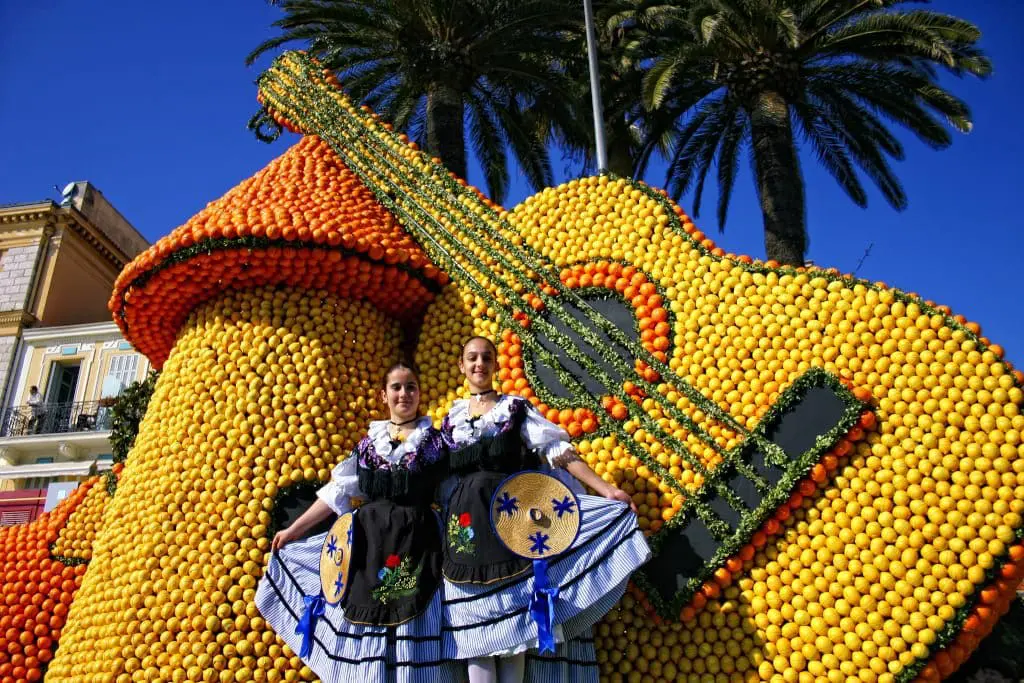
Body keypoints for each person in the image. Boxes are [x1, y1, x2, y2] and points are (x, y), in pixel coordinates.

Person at [440, 337, 652, 683]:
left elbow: (559, 452)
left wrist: (607, 489)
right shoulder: (450, 421)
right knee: (476, 635)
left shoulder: (515, 409)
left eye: (486, 358)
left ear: (496, 365)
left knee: (513, 635)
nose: (479, 364)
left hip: (509, 525)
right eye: (472, 358)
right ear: (461, 366)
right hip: (465, 530)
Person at [256, 362, 463, 683]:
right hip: (368, 546)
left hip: (417, 546)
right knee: (368, 626)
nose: (404, 394)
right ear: (384, 395)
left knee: (411, 626)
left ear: (420, 393)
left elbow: (454, 493)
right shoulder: (368, 446)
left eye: (410, 387)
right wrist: (293, 530)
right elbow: (336, 492)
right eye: (396, 387)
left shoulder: (435, 443)